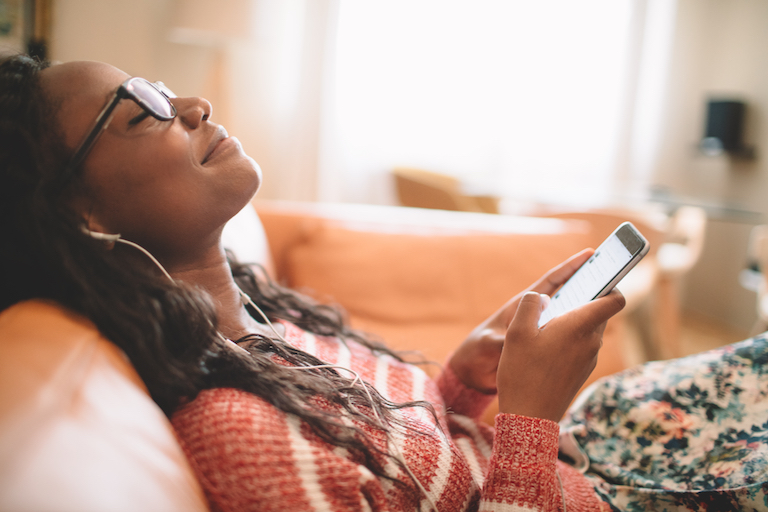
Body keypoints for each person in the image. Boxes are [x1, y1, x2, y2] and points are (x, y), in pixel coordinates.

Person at [2, 53, 767, 512]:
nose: (195, 105)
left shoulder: (262, 317)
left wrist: (465, 385)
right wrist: (532, 418)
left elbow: (413, 472)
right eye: (143, 113)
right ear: (81, 216)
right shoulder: (238, 437)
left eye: (163, 88)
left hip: (606, 443)